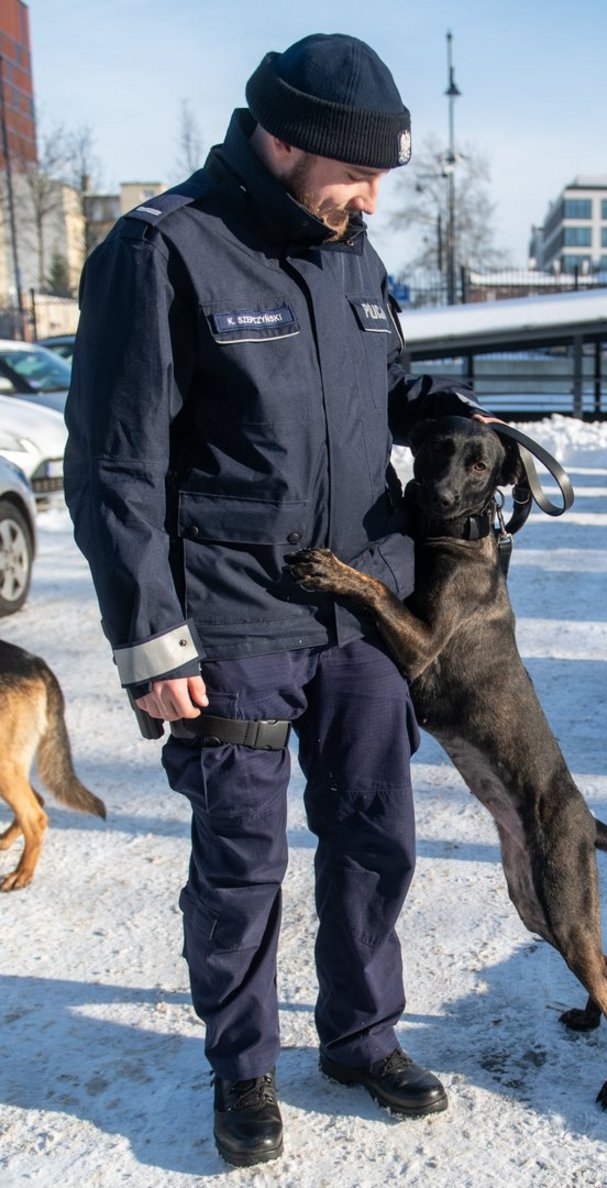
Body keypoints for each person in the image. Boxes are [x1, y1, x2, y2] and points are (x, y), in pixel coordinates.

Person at [64, 33, 490, 1169]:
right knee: (240, 862)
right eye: (357, 171)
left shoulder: (354, 254)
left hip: (360, 613)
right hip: (232, 617)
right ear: (283, 139)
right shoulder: (164, 250)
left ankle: (359, 1038)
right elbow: (113, 466)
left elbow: (384, 389)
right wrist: (150, 640)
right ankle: (243, 1068)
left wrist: (449, 421)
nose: (371, 196)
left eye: (383, 178)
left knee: (374, 839)